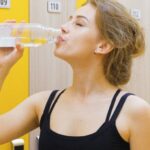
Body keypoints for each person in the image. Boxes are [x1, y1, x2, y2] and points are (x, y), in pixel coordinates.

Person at [0, 0, 150, 149]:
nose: (63, 27)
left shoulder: (135, 111)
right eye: (68, 20)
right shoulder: (43, 103)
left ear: (103, 46)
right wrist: (2, 66)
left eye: (79, 24)